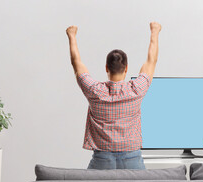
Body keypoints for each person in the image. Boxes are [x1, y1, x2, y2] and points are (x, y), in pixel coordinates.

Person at [66, 22, 162, 169]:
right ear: (127, 68)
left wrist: (72, 36)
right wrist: (154, 32)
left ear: (106, 68)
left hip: (102, 160)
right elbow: (151, 61)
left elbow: (76, 63)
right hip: (133, 159)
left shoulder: (94, 91)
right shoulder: (136, 89)